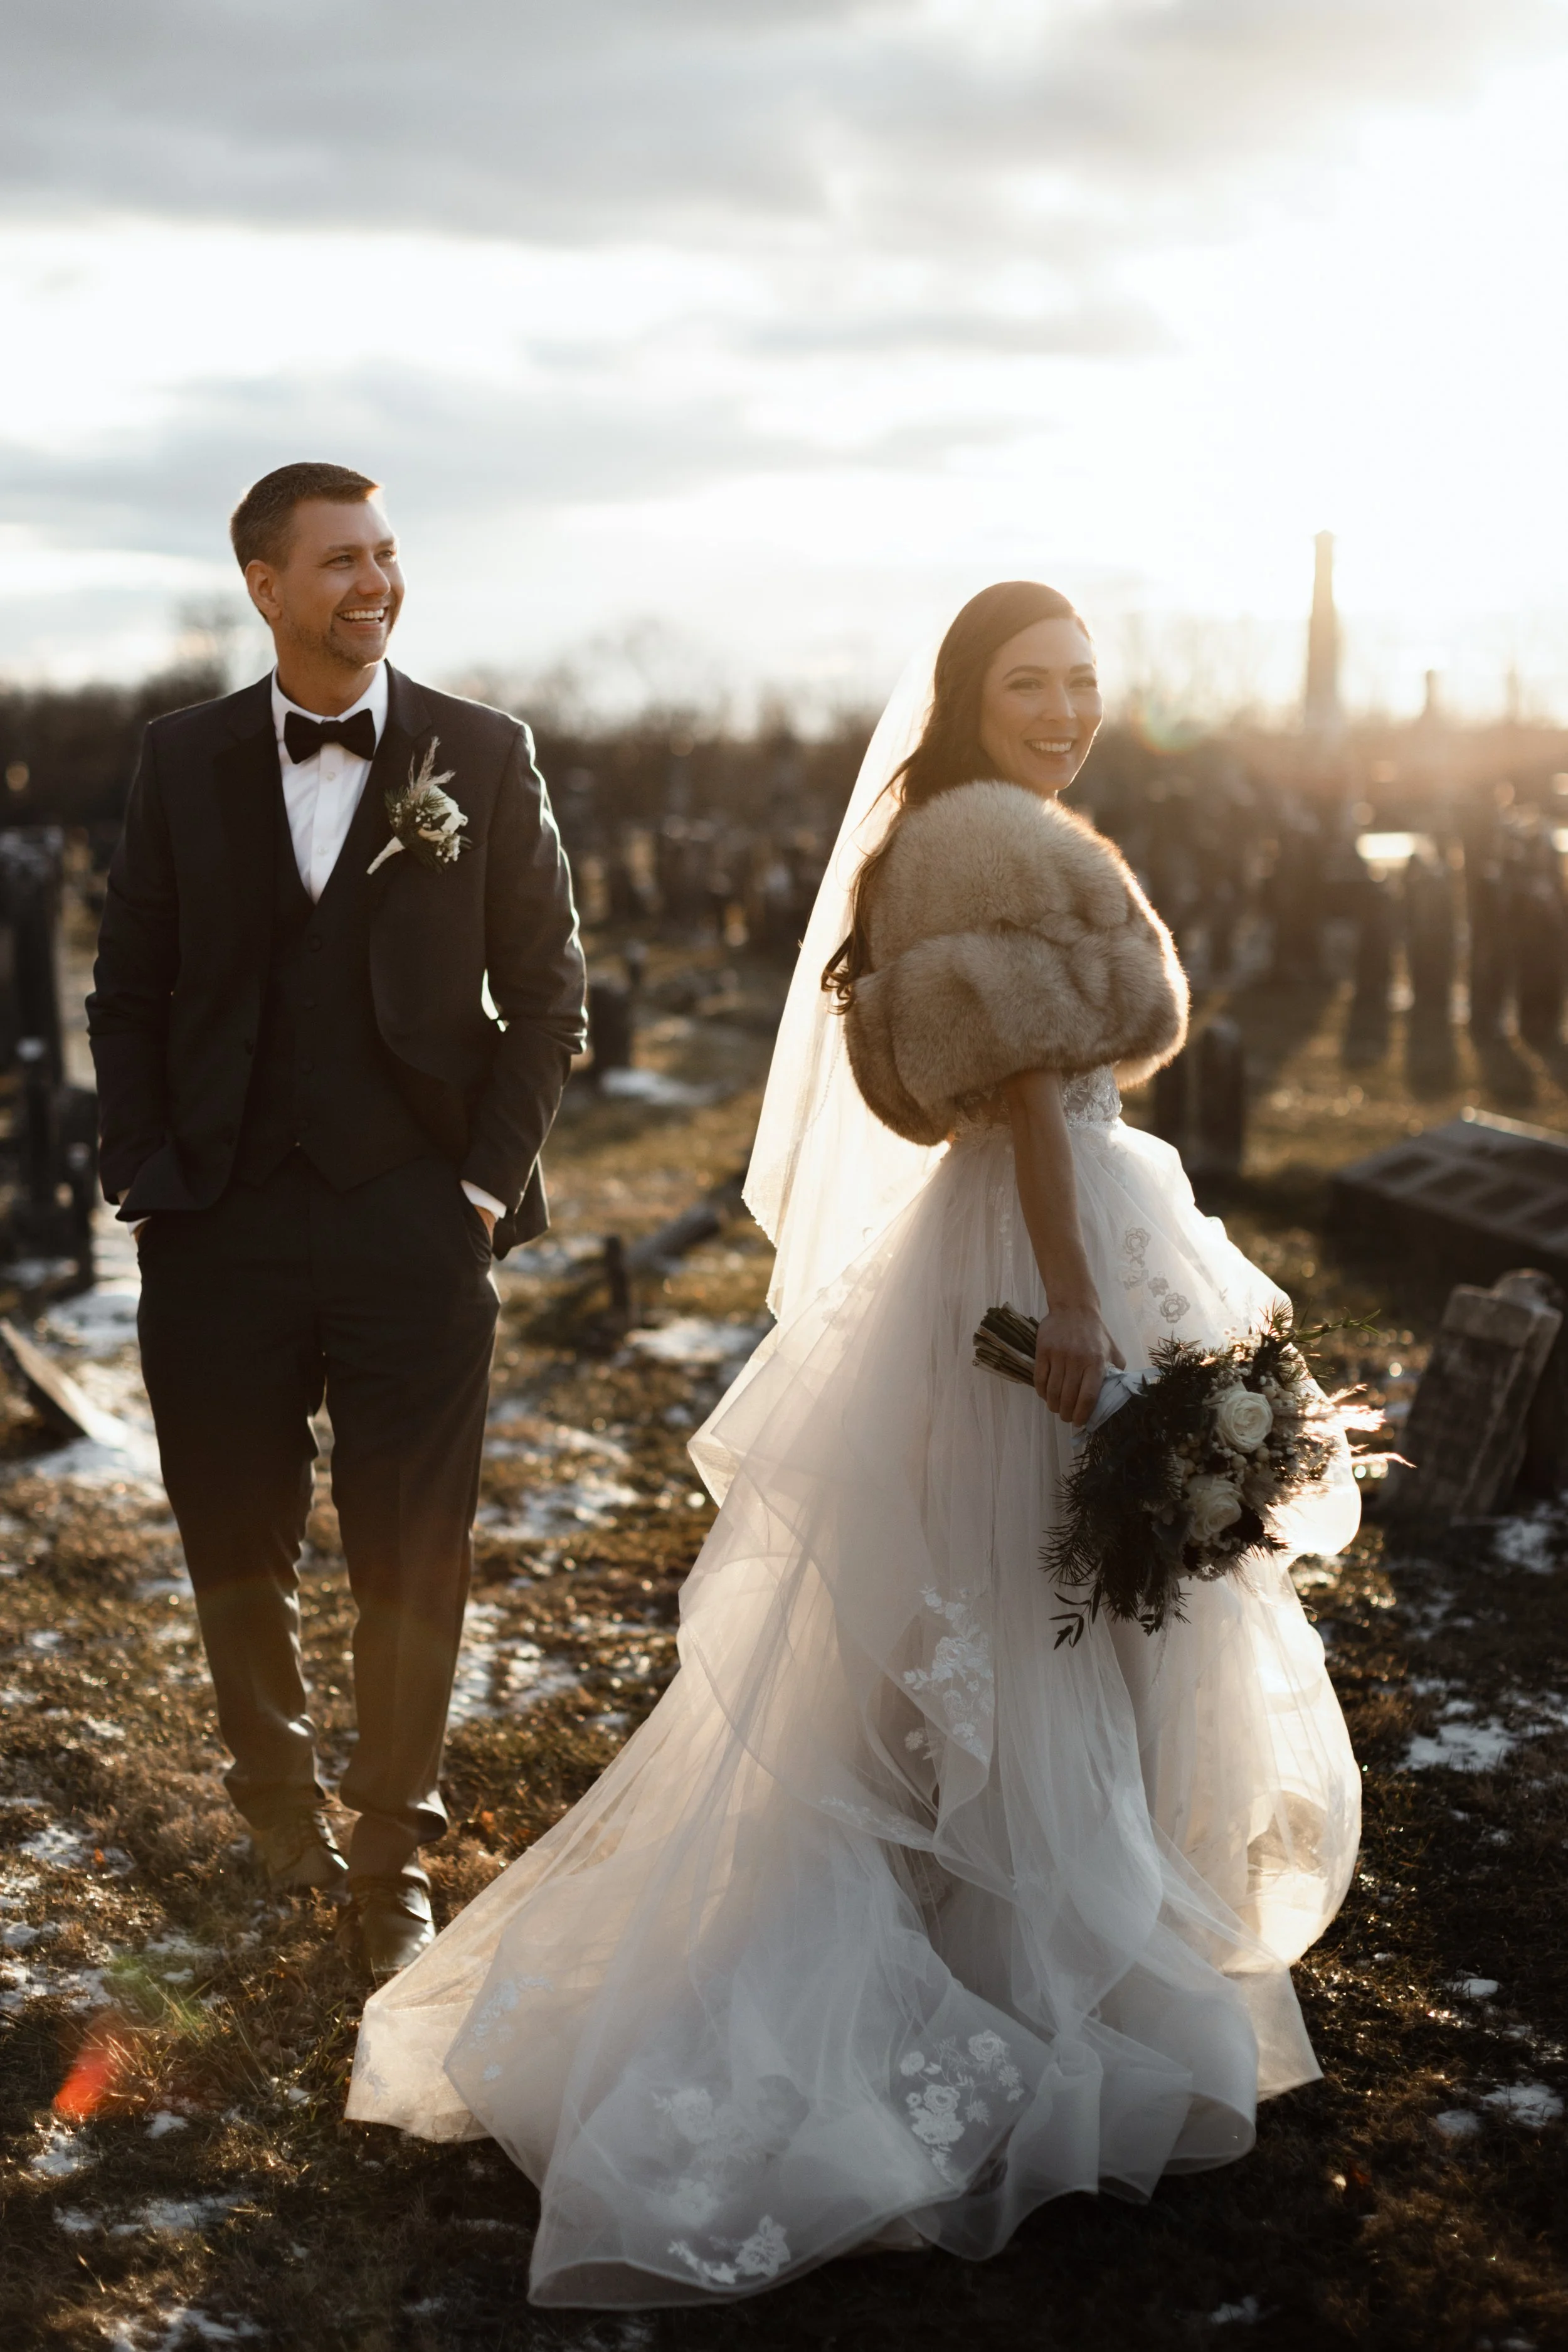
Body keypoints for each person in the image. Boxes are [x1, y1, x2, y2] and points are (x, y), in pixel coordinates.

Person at [346, 582, 1360, 2303]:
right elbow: (1034, 1093)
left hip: (1060, 1232)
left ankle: (1015, 1948)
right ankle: (1029, 1974)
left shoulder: (989, 828)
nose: (1067, 709)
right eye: (1031, 682)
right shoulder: (978, 841)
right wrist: (1068, 1303)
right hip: (1045, 1253)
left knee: (1024, 1606)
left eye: (1083, 682)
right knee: (1046, 1603)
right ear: (968, 695)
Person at [87, 462, 586, 1978]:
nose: (372, 583)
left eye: (385, 555)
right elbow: (129, 984)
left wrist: (480, 1192)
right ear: (264, 584)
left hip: (412, 1227)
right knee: (232, 1540)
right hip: (216, 1229)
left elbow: (549, 991)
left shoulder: (481, 755)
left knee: (409, 1551)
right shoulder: (182, 758)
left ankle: (391, 1847)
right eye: (338, 561)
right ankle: (275, 1820)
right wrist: (146, 1178)